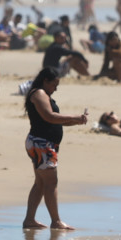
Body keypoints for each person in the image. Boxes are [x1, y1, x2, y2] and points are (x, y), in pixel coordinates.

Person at [22, 68, 87, 231]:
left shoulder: (43, 94)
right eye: (54, 84)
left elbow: (53, 121)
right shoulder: (39, 94)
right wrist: (74, 117)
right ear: (45, 81)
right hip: (41, 144)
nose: (55, 88)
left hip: (41, 144)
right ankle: (56, 221)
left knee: (41, 183)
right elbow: (49, 116)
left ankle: (29, 220)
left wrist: (77, 121)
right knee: (51, 182)